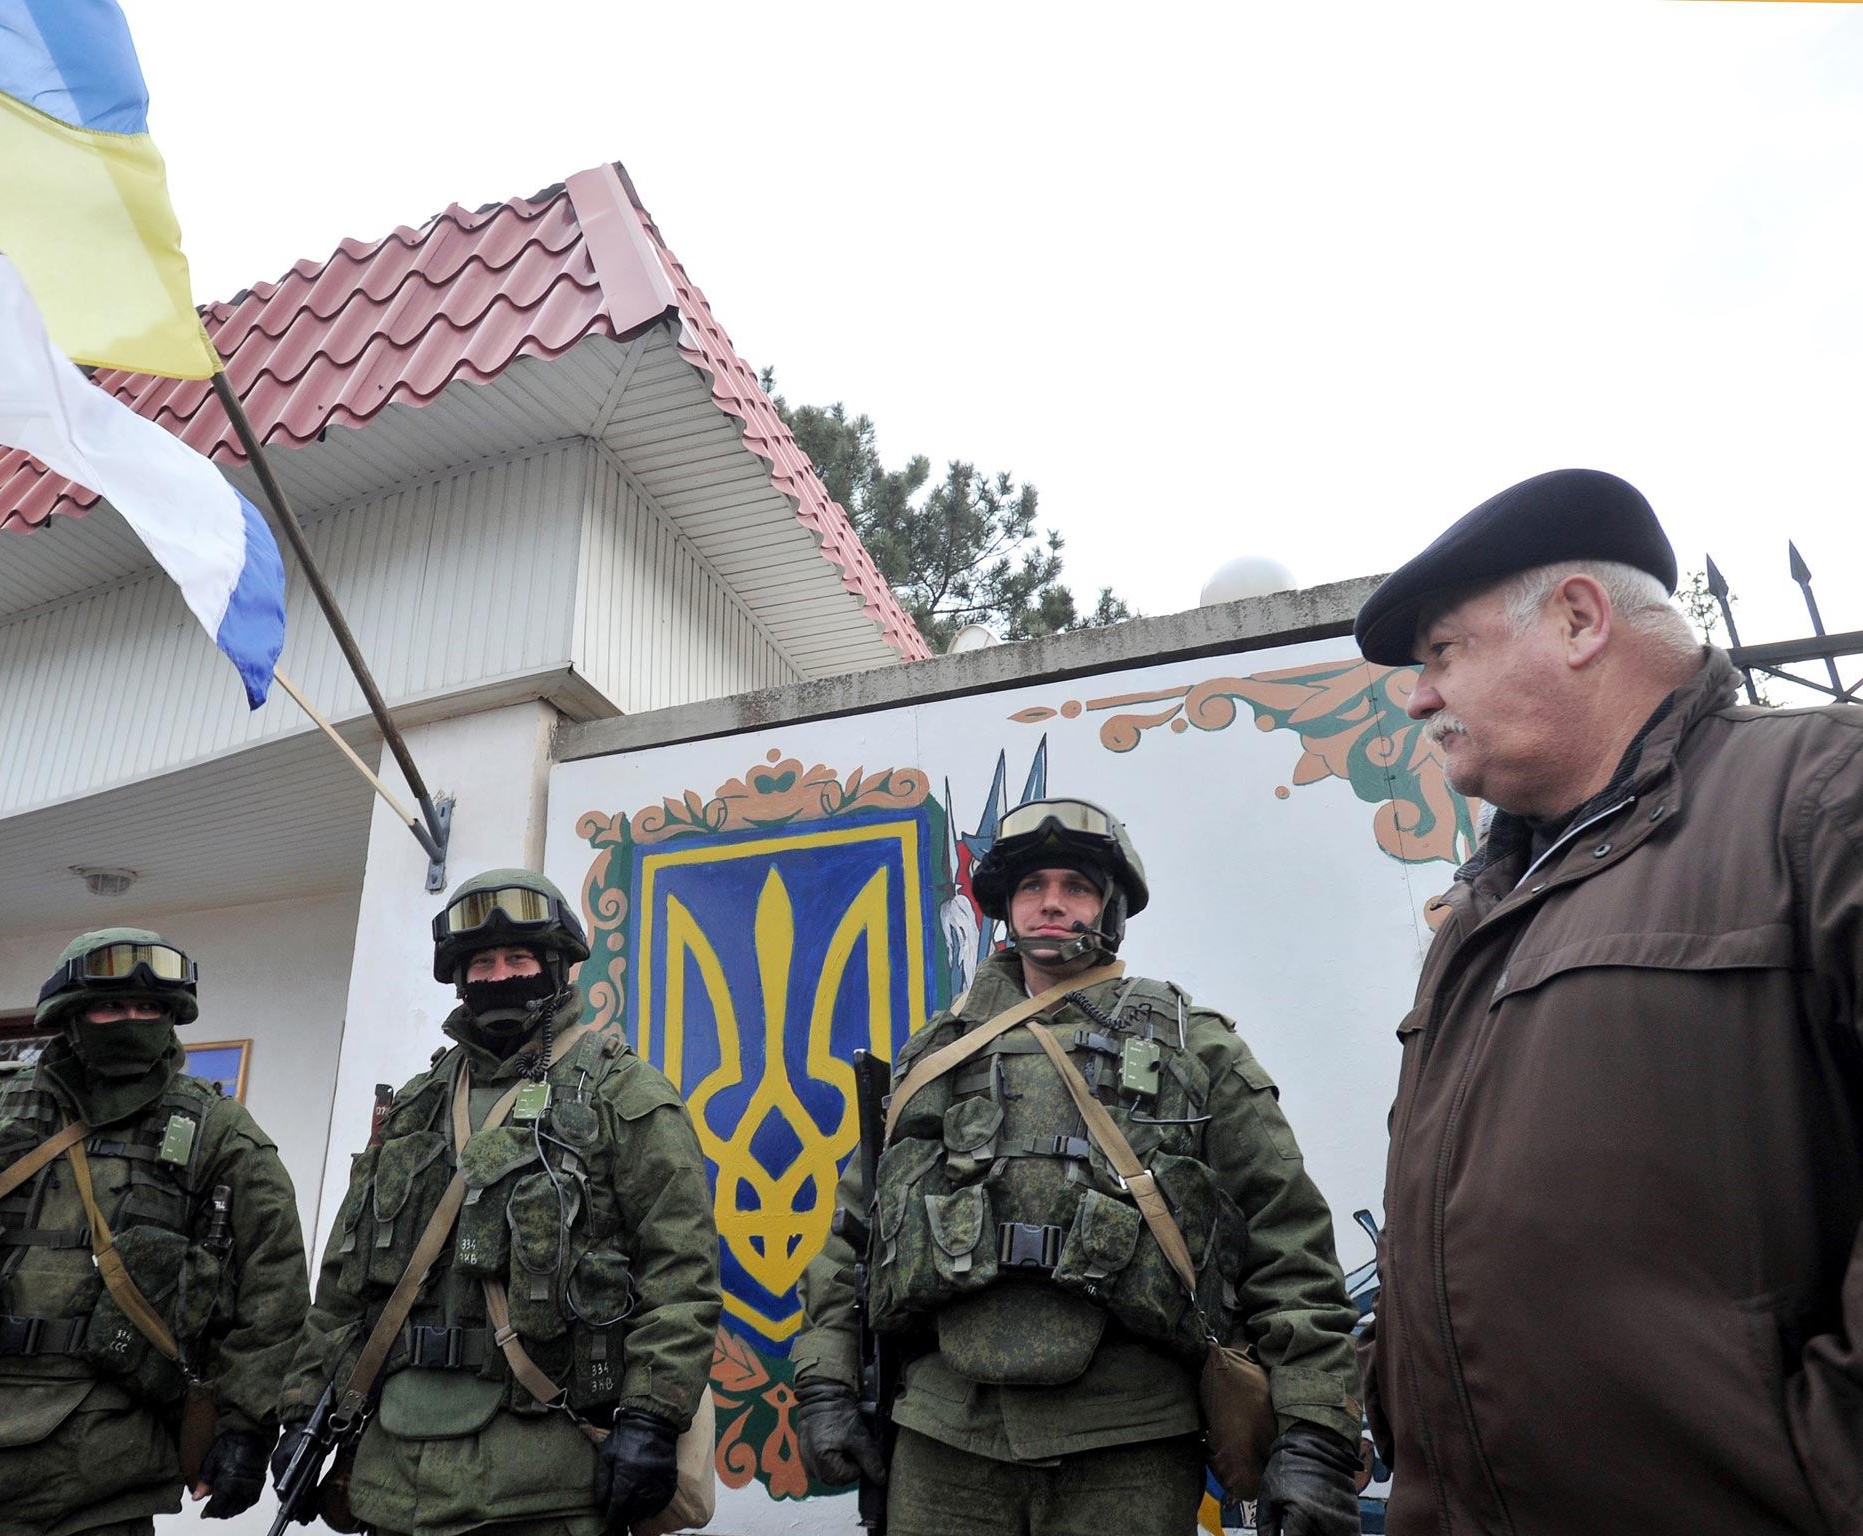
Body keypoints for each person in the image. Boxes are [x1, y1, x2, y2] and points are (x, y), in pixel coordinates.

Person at [1352, 467, 1863, 1534]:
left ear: (1579, 620)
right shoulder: (1486, 908)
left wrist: (1825, 1483)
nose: (1416, 695)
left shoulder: (1820, 799)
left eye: (1442, 651)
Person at [792, 799, 1363, 1536]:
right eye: (1032, 886)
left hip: (1127, 1443)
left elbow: (1287, 1241)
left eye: (1076, 886)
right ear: (1007, 907)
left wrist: (1315, 1430)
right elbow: (857, 1236)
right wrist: (827, 1382)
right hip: (944, 1440)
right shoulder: (931, 1054)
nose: (1052, 903)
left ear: (1112, 907)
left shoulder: (1197, 1046)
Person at [0, 927, 309, 1534]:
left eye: (149, 1007)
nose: (131, 1019)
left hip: (101, 1473)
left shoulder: (217, 1130)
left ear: (172, 1015)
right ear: (70, 1017)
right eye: (110, 1005)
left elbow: (275, 1284)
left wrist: (247, 1425)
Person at [276, 869, 719, 1536]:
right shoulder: (416, 1107)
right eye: (482, 961)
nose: (500, 975)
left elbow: (680, 1272)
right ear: (459, 976)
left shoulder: (620, 1091)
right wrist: (303, 1405)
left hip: (543, 1482)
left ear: (559, 967)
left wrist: (653, 1416)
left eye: (519, 958)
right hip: (395, 1477)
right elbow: (344, 1282)